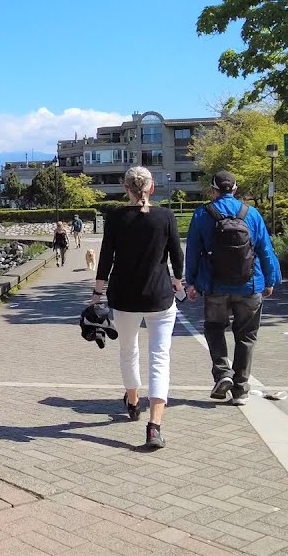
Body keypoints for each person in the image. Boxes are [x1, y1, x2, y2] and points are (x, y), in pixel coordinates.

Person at [93, 167, 184, 449]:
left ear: (126, 188)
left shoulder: (116, 218)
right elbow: (177, 256)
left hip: (125, 298)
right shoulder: (166, 217)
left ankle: (132, 401)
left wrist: (97, 294)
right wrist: (178, 283)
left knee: (128, 351)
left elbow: (106, 257)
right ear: (152, 188)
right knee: (160, 358)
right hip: (159, 297)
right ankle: (155, 426)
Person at [184, 170, 282, 406]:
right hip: (249, 285)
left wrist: (191, 283)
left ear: (213, 190)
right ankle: (240, 390)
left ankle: (222, 374)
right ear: (235, 189)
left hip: (215, 285)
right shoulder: (252, 214)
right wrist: (270, 280)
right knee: (246, 336)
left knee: (215, 329)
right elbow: (265, 249)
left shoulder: (202, 214)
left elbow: (193, 251)